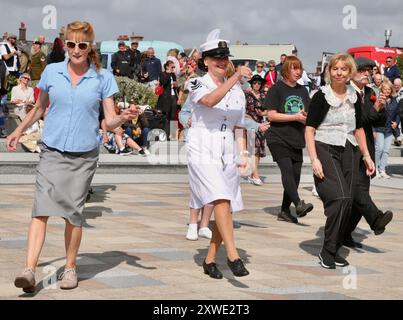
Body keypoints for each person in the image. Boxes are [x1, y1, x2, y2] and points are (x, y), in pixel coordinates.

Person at [6, 21, 138, 293]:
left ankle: (70, 267)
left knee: (72, 214)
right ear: (64, 45)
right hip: (52, 150)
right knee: (40, 209)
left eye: (82, 45)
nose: (75, 50)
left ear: (90, 48)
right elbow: (39, 107)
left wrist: (122, 118)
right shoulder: (52, 72)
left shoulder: (103, 78)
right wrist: (18, 130)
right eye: (71, 44)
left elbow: (109, 120)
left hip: (83, 155)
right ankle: (29, 270)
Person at [186, 29, 252, 279]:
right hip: (203, 145)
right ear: (205, 61)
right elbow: (210, 101)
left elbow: (238, 125)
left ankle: (210, 259)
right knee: (220, 197)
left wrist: (243, 153)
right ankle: (233, 255)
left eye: (225, 56)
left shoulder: (237, 90)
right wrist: (235, 77)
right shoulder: (195, 82)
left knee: (227, 206)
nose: (221, 61)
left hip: (227, 149)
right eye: (216, 57)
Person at [305, 53, 375, 269]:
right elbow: (309, 130)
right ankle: (327, 250)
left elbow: (358, 129)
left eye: (344, 69)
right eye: (335, 68)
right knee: (340, 197)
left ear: (350, 73)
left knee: (349, 199)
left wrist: (366, 155)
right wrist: (314, 159)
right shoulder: (321, 96)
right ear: (330, 71)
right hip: (325, 146)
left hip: (350, 149)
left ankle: (333, 249)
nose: (339, 72)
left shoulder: (355, 96)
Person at [343, 57, 393, 249]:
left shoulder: (371, 92)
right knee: (357, 190)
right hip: (349, 147)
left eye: (369, 70)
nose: (367, 73)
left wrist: (381, 108)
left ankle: (346, 234)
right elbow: (358, 121)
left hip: (367, 149)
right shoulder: (346, 93)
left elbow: (378, 122)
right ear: (352, 72)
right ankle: (375, 218)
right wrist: (375, 109)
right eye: (362, 70)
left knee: (361, 191)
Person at [263, 55, 314, 224]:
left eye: (299, 68)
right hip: (277, 137)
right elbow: (270, 115)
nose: (298, 72)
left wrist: (306, 118)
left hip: (296, 138)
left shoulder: (302, 90)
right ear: (285, 70)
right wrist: (294, 117)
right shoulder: (276, 89)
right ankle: (298, 204)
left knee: (296, 176)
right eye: (294, 68)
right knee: (287, 170)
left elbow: (306, 114)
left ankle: (285, 210)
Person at [244, 74, 268, 186]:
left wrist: (263, 113)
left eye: (259, 83)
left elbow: (269, 110)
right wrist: (246, 116)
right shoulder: (246, 94)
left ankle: (252, 174)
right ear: (251, 84)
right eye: (255, 83)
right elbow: (241, 109)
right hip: (249, 124)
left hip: (261, 125)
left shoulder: (264, 96)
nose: (257, 85)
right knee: (253, 149)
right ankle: (256, 175)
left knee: (258, 151)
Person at [374, 79, 400, 178]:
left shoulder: (394, 100)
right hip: (379, 128)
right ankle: (375, 169)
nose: (387, 91)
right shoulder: (379, 100)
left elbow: (397, 113)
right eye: (385, 89)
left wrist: (396, 122)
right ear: (382, 90)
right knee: (379, 149)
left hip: (389, 129)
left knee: (386, 151)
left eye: (389, 89)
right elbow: (374, 114)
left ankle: (382, 169)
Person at [156, 60, 178, 141]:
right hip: (165, 98)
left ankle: (172, 136)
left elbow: (175, 85)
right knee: (165, 116)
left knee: (173, 116)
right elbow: (164, 82)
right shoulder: (162, 74)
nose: (173, 68)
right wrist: (168, 74)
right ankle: (165, 134)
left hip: (173, 96)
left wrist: (176, 84)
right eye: (171, 66)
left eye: (173, 67)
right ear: (167, 66)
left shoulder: (173, 74)